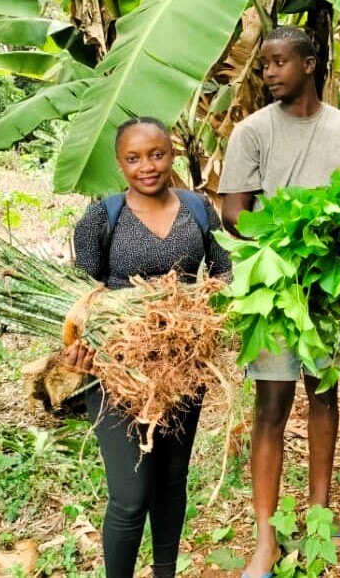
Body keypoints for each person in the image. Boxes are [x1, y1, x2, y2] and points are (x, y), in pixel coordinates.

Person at [218, 26, 340, 578]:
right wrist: (291, 232)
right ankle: (265, 539)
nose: (267, 73)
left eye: (279, 63)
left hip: (332, 290)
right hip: (273, 288)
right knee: (270, 408)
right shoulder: (251, 132)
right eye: (264, 64)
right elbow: (233, 211)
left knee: (325, 399)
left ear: (311, 65)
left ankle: (319, 516)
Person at [67, 116, 231, 578]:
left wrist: (207, 311)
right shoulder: (102, 216)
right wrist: (74, 349)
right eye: (134, 158)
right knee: (130, 494)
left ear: (172, 154)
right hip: (116, 369)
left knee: (171, 481)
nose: (147, 166)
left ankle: (165, 573)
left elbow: (224, 271)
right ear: (119, 163)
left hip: (182, 365)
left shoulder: (199, 209)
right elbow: (77, 295)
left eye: (156, 154)